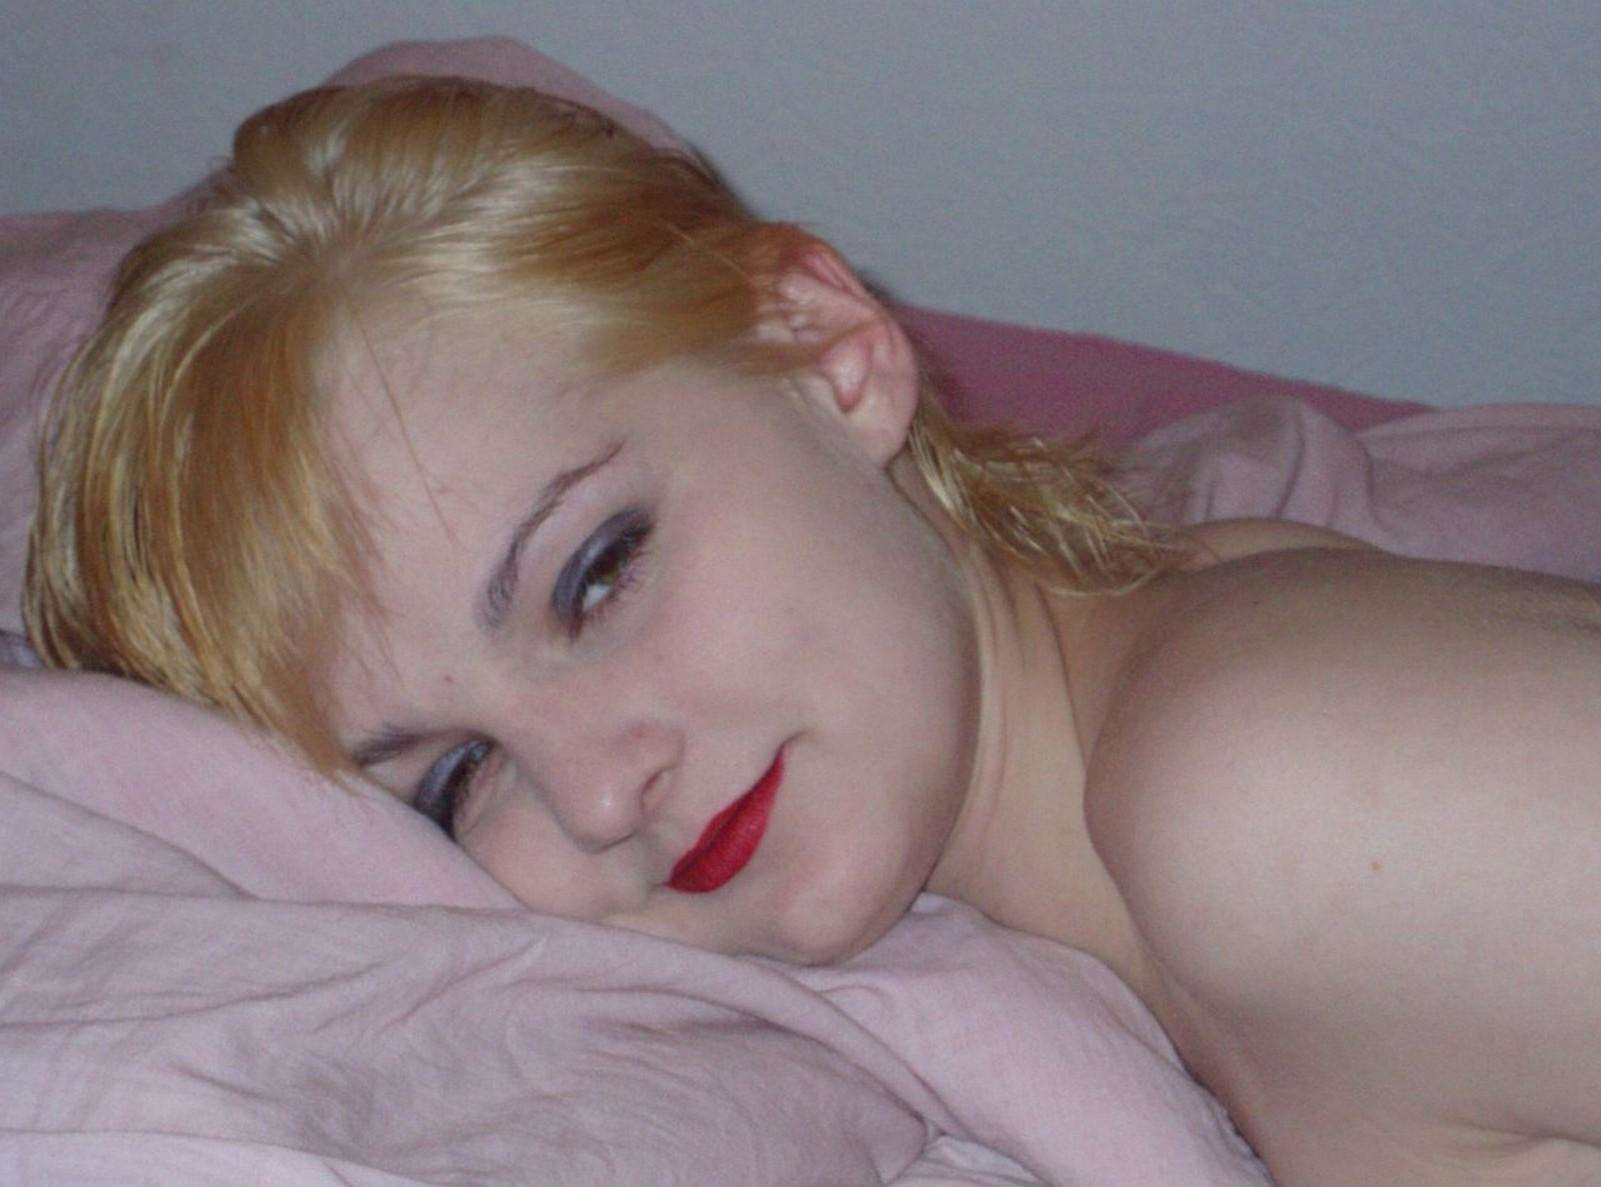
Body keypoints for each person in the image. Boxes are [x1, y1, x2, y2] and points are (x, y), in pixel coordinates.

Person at [24, 77, 1601, 1184]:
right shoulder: (1128, 738)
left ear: (825, 352)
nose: (598, 790)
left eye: (596, 572)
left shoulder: (1275, 798)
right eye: (455, 777)